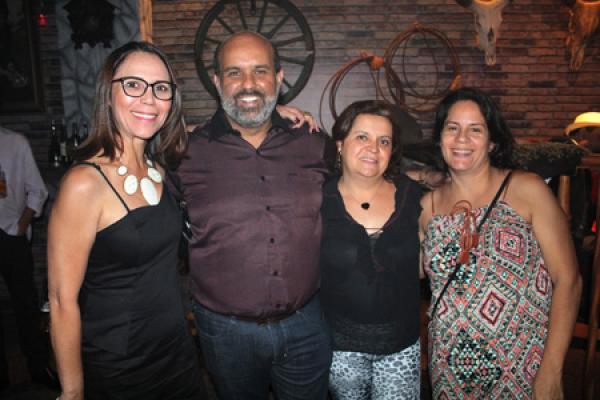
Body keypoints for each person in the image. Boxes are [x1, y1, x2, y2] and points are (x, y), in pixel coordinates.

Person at [178, 31, 333, 400]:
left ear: (278, 78)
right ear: (217, 82)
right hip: (225, 333)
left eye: (260, 71)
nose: (248, 84)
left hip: (307, 325)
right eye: (234, 72)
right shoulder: (185, 153)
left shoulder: (314, 144)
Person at [47, 41, 207, 400]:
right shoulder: (84, 183)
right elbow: (60, 300)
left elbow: (219, 130)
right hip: (120, 366)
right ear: (109, 93)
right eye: (133, 84)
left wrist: (274, 112)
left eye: (160, 88)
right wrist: (72, 392)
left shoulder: (159, 169)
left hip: (177, 353)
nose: (149, 99)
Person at [419, 87, 582, 399]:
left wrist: (552, 370)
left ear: (492, 141)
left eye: (475, 129)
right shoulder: (428, 207)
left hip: (522, 364)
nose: (462, 138)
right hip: (450, 368)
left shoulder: (525, 189)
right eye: (452, 128)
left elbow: (569, 281)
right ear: (440, 138)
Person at [320, 100, 422, 399]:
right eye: (362, 137)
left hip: (401, 346)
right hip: (340, 349)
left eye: (384, 141)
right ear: (340, 144)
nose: (373, 148)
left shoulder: (414, 195)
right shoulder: (316, 199)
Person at [0, 126, 58, 392]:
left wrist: (20, 227)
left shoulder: (15, 142)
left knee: (26, 304)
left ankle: (38, 367)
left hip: (11, 234)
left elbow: (38, 191)